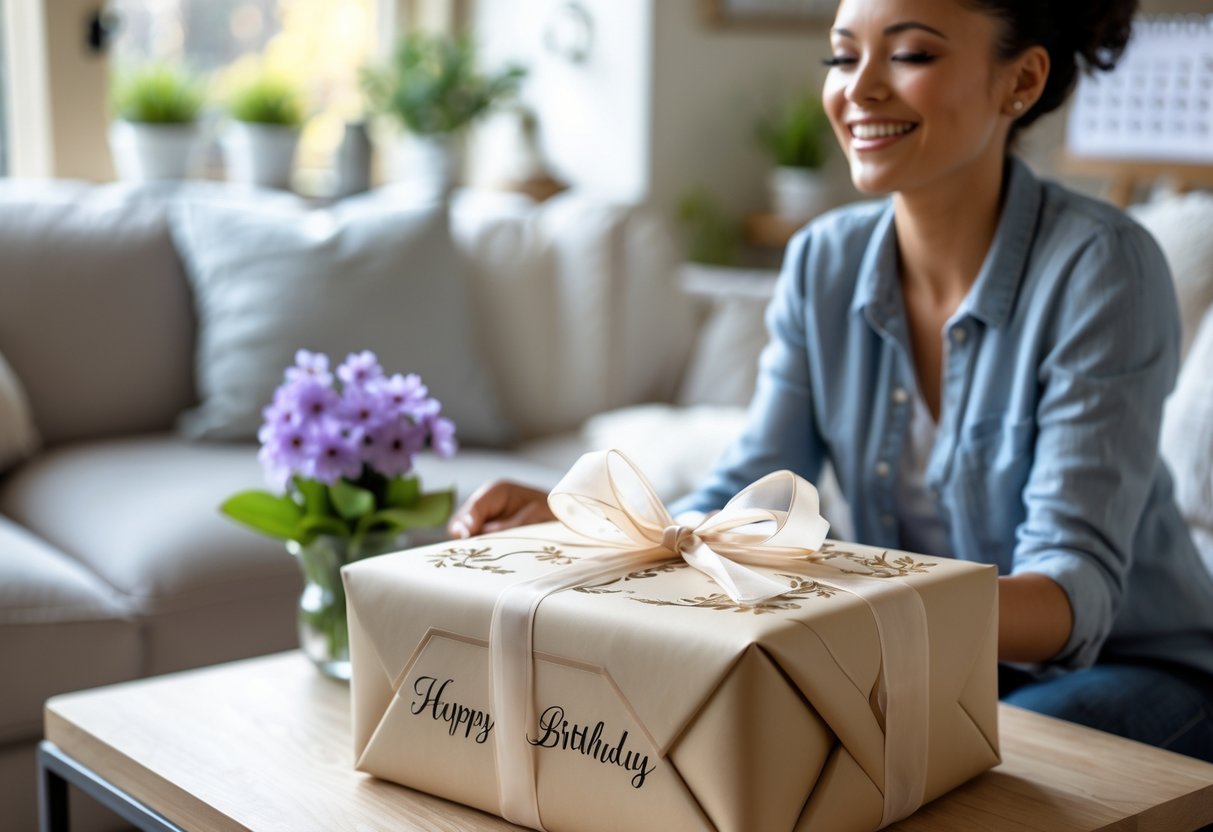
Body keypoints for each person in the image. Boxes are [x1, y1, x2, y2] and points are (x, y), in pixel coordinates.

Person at [449, 0, 1213, 761]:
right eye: (843, 57)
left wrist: (840, 588)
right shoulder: (823, 262)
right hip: (928, 665)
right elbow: (743, 494)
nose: (859, 88)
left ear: (1020, 80)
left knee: (945, 765)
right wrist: (582, 523)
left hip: (1136, 666)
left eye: (910, 55)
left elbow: (1066, 597)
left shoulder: (1102, 266)